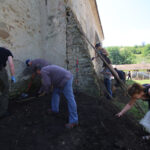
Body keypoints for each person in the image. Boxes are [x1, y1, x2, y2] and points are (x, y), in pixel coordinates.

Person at [35, 65, 78, 129]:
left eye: (36, 73)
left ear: (38, 71)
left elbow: (47, 84)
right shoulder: (45, 69)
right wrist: (40, 91)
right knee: (55, 93)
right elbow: (45, 83)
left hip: (66, 80)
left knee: (70, 99)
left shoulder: (43, 71)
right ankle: (55, 110)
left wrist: (46, 91)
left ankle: (74, 121)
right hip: (61, 80)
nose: (37, 74)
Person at [0, 47, 16, 118]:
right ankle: (3, 112)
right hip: (0, 71)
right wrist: (13, 76)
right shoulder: (7, 52)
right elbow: (11, 65)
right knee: (4, 92)